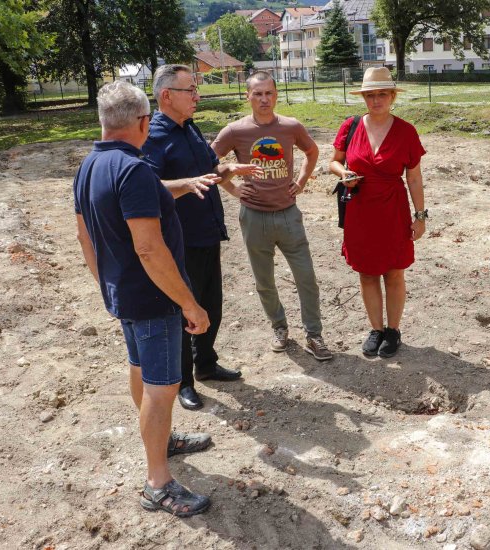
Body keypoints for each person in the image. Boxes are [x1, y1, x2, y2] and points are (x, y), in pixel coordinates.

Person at [74, 81, 237, 516]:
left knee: (140, 370)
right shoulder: (136, 171)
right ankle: (158, 482)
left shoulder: (90, 165)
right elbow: (149, 248)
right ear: (144, 122)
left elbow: (85, 235)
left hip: (124, 294)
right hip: (154, 300)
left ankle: (162, 443)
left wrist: (106, 283)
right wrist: (189, 302)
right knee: (162, 388)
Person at [143, 64, 259, 411]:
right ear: (167, 96)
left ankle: (206, 363)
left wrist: (228, 173)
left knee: (211, 306)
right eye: (189, 89)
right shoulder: (153, 136)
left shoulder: (190, 129)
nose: (197, 95)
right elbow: (148, 187)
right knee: (184, 312)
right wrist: (185, 185)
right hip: (179, 241)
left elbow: (209, 171)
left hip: (207, 234)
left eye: (196, 89)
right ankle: (184, 382)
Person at [210, 71, 333, 361]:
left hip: (289, 215)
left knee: (307, 277)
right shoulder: (234, 131)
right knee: (264, 281)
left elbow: (312, 151)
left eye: (269, 93)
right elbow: (207, 162)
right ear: (248, 96)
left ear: (276, 95)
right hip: (253, 217)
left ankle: (314, 334)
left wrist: (301, 182)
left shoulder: (291, 126)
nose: (264, 99)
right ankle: (279, 327)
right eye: (258, 93)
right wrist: (231, 188)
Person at [328, 67, 427, 358]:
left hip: (393, 210)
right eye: (370, 95)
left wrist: (420, 216)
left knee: (394, 272)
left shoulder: (406, 131)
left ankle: (393, 330)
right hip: (359, 210)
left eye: (382, 93)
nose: (376, 100)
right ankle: (376, 328)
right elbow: (333, 162)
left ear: (392, 95)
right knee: (367, 273)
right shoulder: (351, 126)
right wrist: (343, 172)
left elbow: (415, 178)